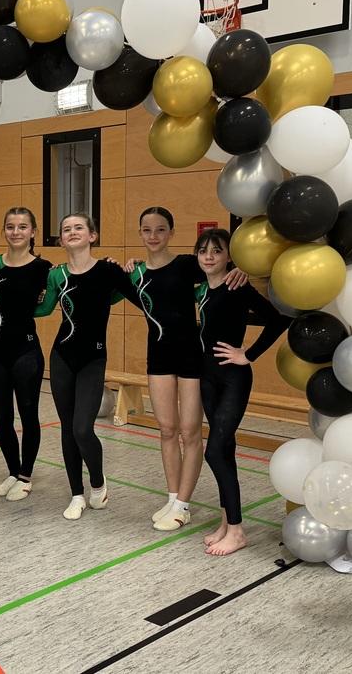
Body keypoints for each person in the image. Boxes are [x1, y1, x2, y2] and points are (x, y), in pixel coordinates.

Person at [125, 207, 245, 532]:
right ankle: (172, 496)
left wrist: (241, 270)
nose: (154, 236)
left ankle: (183, 505)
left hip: (192, 357)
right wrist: (117, 265)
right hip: (158, 357)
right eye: (147, 230)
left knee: (190, 432)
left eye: (161, 230)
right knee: (166, 430)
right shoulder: (135, 274)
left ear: (171, 233)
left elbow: (219, 264)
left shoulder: (186, 264)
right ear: (140, 233)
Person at [193, 229, 288, 556]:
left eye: (216, 251)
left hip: (233, 377)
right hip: (207, 377)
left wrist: (247, 354)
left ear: (228, 257)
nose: (208, 257)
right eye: (203, 251)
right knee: (226, 450)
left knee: (214, 451)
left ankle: (237, 530)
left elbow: (277, 320)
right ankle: (226, 523)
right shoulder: (202, 289)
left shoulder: (237, 286)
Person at [35, 213, 134, 520]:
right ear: (61, 239)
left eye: (79, 227)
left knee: (82, 428)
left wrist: (130, 270)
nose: (72, 232)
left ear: (93, 235)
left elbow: (128, 293)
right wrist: (27, 285)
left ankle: (98, 482)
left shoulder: (107, 270)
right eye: (66, 229)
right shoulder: (56, 275)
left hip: (93, 358)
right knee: (67, 429)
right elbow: (42, 308)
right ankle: (76, 493)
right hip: (62, 357)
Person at [0, 208, 52, 501]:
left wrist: (21, 314)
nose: (16, 232)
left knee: (28, 415)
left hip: (25, 351)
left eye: (23, 227)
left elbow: (48, 306)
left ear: (33, 232)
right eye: (10, 227)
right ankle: (12, 470)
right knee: (1, 418)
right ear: (4, 231)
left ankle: (25, 475)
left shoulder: (44, 267)